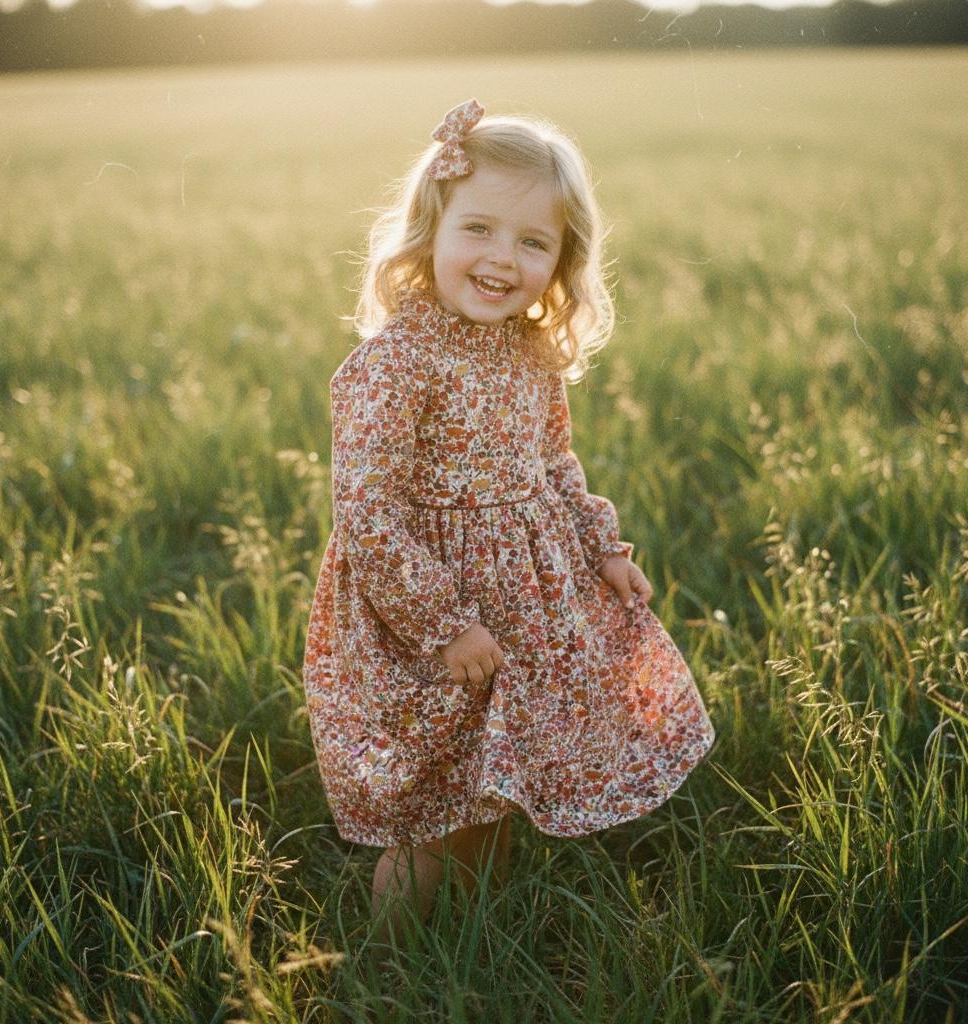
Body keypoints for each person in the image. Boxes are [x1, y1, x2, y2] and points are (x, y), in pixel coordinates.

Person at [301, 98, 716, 954]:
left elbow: (553, 464)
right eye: (480, 228)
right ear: (430, 231)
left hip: (527, 606)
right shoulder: (396, 363)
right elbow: (369, 514)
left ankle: (472, 940)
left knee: (495, 787)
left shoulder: (531, 354)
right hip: (433, 615)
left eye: (533, 242)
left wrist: (602, 548)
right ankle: (388, 968)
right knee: (432, 804)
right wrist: (445, 624)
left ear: (563, 260)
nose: (502, 258)